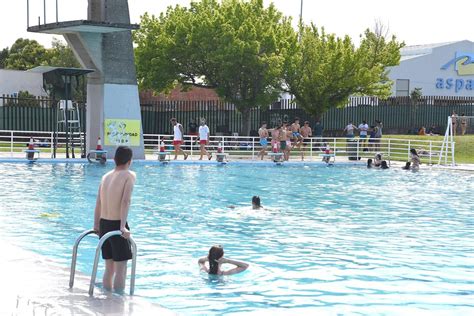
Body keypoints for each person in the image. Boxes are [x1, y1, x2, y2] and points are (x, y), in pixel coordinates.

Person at [93, 146, 136, 292]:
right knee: (121, 269)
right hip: (117, 225)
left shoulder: (105, 176)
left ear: (114, 159)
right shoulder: (129, 175)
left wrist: (96, 225)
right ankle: (118, 302)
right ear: (129, 161)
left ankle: (108, 297)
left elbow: (98, 202)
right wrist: (123, 226)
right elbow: (125, 201)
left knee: (109, 268)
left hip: (103, 224)